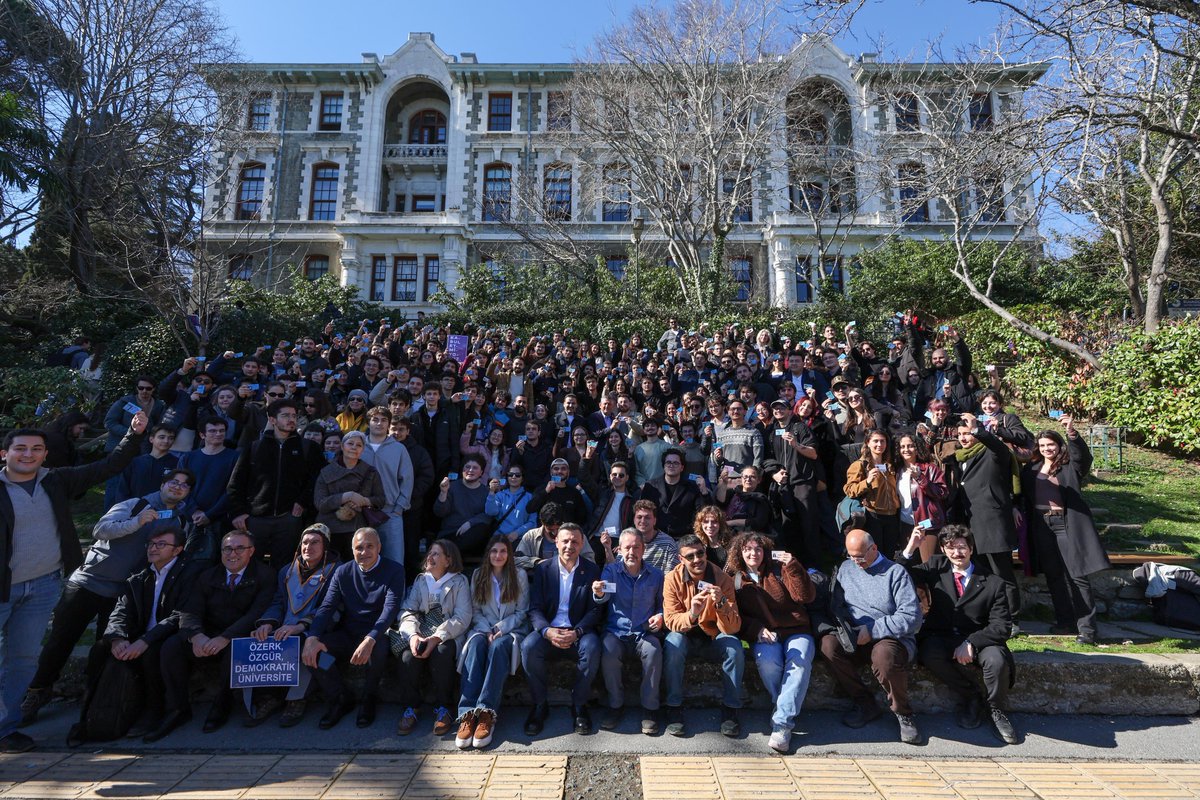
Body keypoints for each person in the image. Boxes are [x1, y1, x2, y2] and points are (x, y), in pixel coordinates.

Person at [0, 412, 148, 754]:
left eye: (36, 449)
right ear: (4, 453)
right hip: (3, 587)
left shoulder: (56, 480)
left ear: (45, 454)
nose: (28, 454)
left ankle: (6, 730)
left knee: (22, 660)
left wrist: (134, 435)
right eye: (20, 448)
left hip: (42, 586)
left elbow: (108, 467)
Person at [21, 469, 192, 722]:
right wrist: (137, 522)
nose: (177, 487)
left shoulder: (181, 521)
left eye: (184, 486)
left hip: (124, 593)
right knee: (60, 641)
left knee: (104, 647)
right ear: (163, 484)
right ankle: (37, 691)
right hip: (88, 583)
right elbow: (100, 530)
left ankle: (96, 699)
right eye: (173, 482)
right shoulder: (135, 504)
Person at [147, 530, 276, 741]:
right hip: (207, 635)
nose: (232, 554)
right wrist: (195, 636)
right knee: (171, 646)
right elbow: (190, 610)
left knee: (236, 651)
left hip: (239, 634)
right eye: (227, 548)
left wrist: (225, 637)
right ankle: (177, 709)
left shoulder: (265, 575)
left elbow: (257, 612)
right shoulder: (207, 576)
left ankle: (222, 706)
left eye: (239, 548)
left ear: (251, 551)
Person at [896, 524, 1019, 744]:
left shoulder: (993, 582)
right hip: (941, 636)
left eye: (962, 547)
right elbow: (899, 574)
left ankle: (996, 710)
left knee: (997, 661)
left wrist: (971, 642)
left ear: (971, 548)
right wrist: (910, 548)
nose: (957, 553)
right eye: (950, 547)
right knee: (929, 652)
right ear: (943, 550)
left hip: (980, 638)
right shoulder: (936, 566)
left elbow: (1002, 626)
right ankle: (971, 696)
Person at [85, 527, 200, 742]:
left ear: (177, 550)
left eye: (161, 544)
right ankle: (97, 706)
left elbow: (180, 616)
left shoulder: (190, 572)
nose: (153, 549)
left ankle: (157, 710)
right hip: (141, 634)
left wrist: (146, 640)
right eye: (151, 544)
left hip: (172, 634)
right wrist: (117, 638)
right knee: (101, 648)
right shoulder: (139, 572)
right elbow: (120, 610)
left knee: (154, 652)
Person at [818, 529, 923, 745]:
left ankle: (903, 713)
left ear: (873, 548)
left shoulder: (896, 573)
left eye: (860, 556)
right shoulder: (846, 569)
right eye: (851, 556)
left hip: (891, 636)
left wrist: (873, 630)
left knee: (884, 655)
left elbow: (911, 617)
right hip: (854, 635)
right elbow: (837, 604)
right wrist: (845, 626)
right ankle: (864, 702)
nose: (856, 561)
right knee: (828, 646)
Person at [301, 528, 405, 730]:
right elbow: (327, 607)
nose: (364, 552)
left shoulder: (394, 570)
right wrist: (312, 637)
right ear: (352, 549)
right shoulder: (343, 571)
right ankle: (340, 696)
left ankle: (369, 698)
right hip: (349, 632)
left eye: (369, 546)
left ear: (379, 548)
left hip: (378, 632)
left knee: (379, 649)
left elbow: (390, 609)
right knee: (313, 652)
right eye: (359, 548)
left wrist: (370, 638)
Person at [1021, 417, 1110, 645]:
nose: (1046, 449)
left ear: (1059, 445)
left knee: (1077, 575)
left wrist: (1072, 433)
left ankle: (1088, 630)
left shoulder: (1071, 466)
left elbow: (1083, 456)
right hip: (1041, 524)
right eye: (1042, 446)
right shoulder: (1031, 469)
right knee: (1053, 575)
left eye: (1050, 444)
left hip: (1066, 523)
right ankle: (1065, 621)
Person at [726, 531, 816, 753]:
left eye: (757, 549)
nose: (753, 553)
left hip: (797, 630)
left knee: (799, 661)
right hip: (766, 634)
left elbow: (805, 597)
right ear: (740, 552)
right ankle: (782, 706)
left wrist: (793, 566)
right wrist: (756, 629)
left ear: (765, 551)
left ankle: (782, 725)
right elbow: (736, 616)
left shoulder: (779, 569)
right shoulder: (736, 580)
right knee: (767, 661)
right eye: (747, 549)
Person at [246, 523, 339, 728]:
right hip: (284, 627)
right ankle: (270, 696)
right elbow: (278, 602)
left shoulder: (337, 571)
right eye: (305, 542)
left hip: (320, 628)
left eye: (315, 542)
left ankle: (297, 698)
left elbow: (333, 607)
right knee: (259, 642)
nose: (308, 547)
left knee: (308, 650)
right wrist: (268, 624)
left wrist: (301, 626)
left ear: (325, 547)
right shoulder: (286, 571)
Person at [520, 524, 603, 736]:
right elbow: (535, 608)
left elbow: (595, 611)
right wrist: (546, 631)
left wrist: (577, 632)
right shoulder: (543, 569)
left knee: (592, 647)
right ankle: (540, 705)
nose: (569, 546)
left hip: (578, 632)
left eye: (575, 541)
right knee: (529, 647)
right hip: (550, 630)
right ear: (556, 542)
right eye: (565, 541)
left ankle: (579, 706)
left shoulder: (592, 570)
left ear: (582, 544)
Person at [226, 399, 326, 568]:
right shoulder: (254, 448)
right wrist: (238, 512)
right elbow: (235, 483)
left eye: (294, 415)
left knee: (286, 566)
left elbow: (317, 480)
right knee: (251, 566)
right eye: (285, 415)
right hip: (256, 519)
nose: (291, 419)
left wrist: (302, 502)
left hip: (290, 519)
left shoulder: (309, 448)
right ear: (272, 419)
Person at [662, 534, 743, 738]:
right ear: (681, 559)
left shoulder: (722, 579)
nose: (697, 559)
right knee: (672, 643)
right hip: (686, 636)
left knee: (734, 647)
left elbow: (733, 627)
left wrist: (721, 604)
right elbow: (670, 620)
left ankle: (730, 709)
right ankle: (673, 706)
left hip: (713, 636)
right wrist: (692, 614)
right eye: (690, 556)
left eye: (700, 553)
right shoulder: (672, 579)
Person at [455, 535, 530, 749]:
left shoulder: (519, 576)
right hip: (482, 627)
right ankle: (467, 713)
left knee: (498, 647)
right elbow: (475, 610)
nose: (498, 555)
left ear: (509, 554)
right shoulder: (479, 575)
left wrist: (500, 628)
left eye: (503, 551)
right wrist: (487, 629)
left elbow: (522, 612)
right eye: (494, 551)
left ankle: (486, 712)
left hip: (511, 629)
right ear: (488, 553)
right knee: (477, 646)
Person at [396, 539, 472, 737]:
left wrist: (437, 637)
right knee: (408, 656)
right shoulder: (421, 580)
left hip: (447, 632)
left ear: (448, 560)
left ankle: (443, 707)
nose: (430, 557)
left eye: (436, 554)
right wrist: (413, 635)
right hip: (421, 629)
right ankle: (412, 707)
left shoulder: (460, 581)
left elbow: (462, 617)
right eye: (430, 553)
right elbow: (408, 610)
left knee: (442, 653)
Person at [951, 412, 1023, 620]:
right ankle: (989, 615)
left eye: (967, 433)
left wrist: (977, 428)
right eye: (960, 434)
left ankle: (1012, 618)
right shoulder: (960, 457)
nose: (964, 437)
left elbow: (999, 448)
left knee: (1002, 574)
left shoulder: (991, 453)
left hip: (992, 525)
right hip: (971, 526)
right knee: (980, 574)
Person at [593, 529, 665, 735]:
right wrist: (598, 593)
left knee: (653, 651)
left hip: (644, 631)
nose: (632, 551)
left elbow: (662, 605)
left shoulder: (656, 575)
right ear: (620, 550)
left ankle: (650, 709)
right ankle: (615, 705)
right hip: (616, 631)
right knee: (608, 651)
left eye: (636, 547)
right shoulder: (611, 571)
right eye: (627, 547)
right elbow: (602, 597)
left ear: (644, 549)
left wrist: (660, 617)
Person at [177, 419, 240, 564]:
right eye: (212, 431)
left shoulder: (235, 457)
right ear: (202, 434)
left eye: (221, 431)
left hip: (221, 522)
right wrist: (194, 511)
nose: (218, 434)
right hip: (190, 521)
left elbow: (233, 490)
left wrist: (209, 514)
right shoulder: (188, 458)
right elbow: (180, 487)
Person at [314, 431, 386, 557]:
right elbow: (319, 503)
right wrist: (346, 496)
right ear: (342, 446)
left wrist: (363, 501)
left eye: (359, 445)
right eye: (350, 443)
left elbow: (380, 500)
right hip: (330, 529)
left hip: (358, 530)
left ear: (363, 450)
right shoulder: (326, 471)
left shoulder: (370, 472)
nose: (354, 447)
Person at [359, 406, 414, 570]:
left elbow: (407, 479)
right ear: (369, 422)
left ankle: (396, 595)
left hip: (390, 512)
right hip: (360, 511)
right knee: (364, 560)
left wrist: (399, 507)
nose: (379, 423)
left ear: (389, 424)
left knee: (395, 561)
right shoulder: (358, 445)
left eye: (384, 420)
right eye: (375, 419)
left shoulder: (399, 448)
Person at [843, 431, 902, 559]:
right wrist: (867, 481)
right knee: (876, 555)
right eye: (875, 441)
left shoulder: (889, 465)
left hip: (892, 516)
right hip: (873, 516)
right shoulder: (860, 465)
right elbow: (849, 489)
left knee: (890, 555)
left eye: (882, 441)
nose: (879, 444)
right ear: (868, 443)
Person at [895, 433, 949, 563]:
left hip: (928, 526)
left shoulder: (930, 469)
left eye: (910, 446)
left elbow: (942, 492)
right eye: (902, 446)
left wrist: (920, 478)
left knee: (930, 566)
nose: (906, 449)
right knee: (912, 567)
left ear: (917, 448)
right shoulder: (898, 471)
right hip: (906, 525)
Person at [639, 449, 709, 539]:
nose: (671, 465)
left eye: (676, 463)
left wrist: (704, 491)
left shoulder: (692, 487)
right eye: (668, 462)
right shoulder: (650, 486)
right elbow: (641, 512)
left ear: (682, 467)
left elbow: (703, 512)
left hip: (683, 537)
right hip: (656, 536)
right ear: (663, 466)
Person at [433, 454, 493, 556]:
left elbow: (489, 515)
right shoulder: (452, 487)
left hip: (472, 535)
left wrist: (470, 523)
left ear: (481, 472)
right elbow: (440, 512)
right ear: (462, 470)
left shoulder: (485, 491)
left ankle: (450, 556)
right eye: (467, 467)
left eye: (475, 468)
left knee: (482, 529)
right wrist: (443, 492)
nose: (470, 470)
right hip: (451, 533)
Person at [113, 424, 178, 504]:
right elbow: (122, 489)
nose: (166, 441)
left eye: (170, 438)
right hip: (133, 509)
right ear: (151, 439)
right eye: (161, 437)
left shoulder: (177, 464)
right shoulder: (135, 462)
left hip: (162, 511)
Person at [485, 465, 535, 543]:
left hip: (520, 539)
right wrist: (491, 492)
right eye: (510, 475)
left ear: (522, 478)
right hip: (500, 537)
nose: (514, 477)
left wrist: (517, 533)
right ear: (507, 477)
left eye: (517, 475)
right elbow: (490, 512)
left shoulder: (530, 497)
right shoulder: (500, 495)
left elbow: (532, 522)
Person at [630, 500, 680, 573]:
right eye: (639, 517)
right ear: (634, 520)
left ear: (654, 521)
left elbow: (670, 576)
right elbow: (619, 570)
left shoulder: (668, 543)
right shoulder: (628, 540)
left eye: (647, 517)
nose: (643, 521)